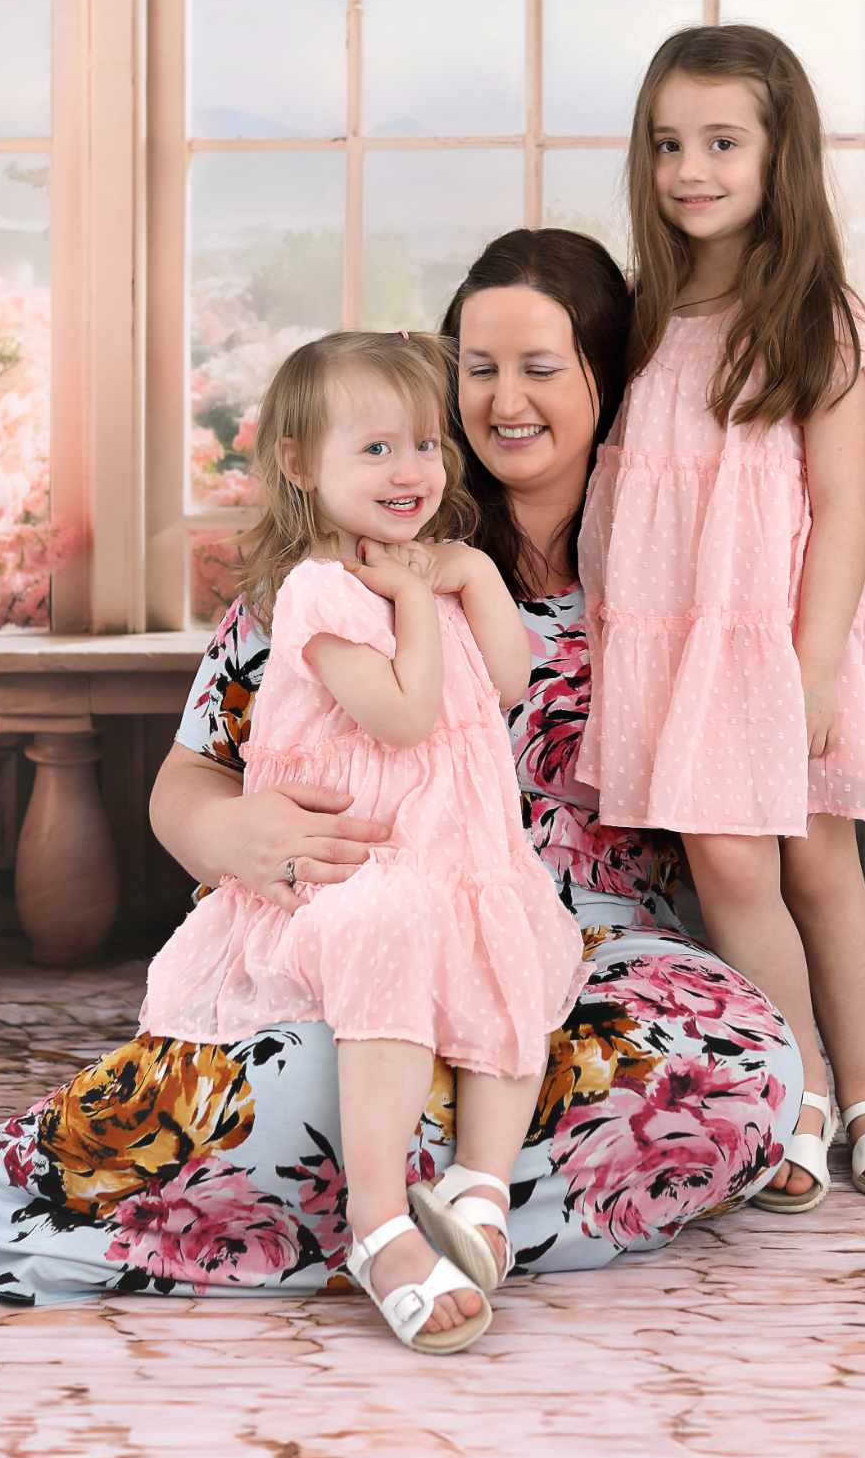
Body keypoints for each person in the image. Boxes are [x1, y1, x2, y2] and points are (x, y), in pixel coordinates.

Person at [0, 228, 805, 1312]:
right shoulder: (333, 580)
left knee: (735, 1070)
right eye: (477, 371)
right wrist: (228, 835)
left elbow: (756, 843)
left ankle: (386, 1215)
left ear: (609, 383)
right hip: (364, 934)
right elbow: (187, 779)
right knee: (303, 1082)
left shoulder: (664, 589)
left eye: (544, 368)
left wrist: (843, 1093)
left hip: (590, 956)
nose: (506, 401)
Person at [134, 330, 587, 1352]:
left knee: (517, 956)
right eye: (375, 449)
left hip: (463, 860)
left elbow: (510, 680)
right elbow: (401, 712)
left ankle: (478, 1190)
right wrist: (421, 599)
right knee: (394, 941)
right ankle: (379, 1225)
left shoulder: (428, 574)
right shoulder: (321, 591)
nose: (410, 470)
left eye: (424, 444)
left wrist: (470, 578)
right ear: (301, 465)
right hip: (368, 870)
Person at [577, 24, 865, 1213]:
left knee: (820, 859)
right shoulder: (635, 321)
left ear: (777, 153)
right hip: (672, 640)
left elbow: (842, 510)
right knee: (727, 860)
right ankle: (806, 1087)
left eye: (723, 141)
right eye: (670, 142)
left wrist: (815, 664)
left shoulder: (815, 322)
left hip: (780, 633)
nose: (693, 167)